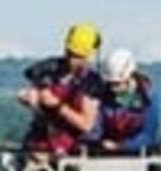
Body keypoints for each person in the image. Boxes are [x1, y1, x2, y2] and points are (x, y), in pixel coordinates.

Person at [18, 23, 105, 157]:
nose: (72, 60)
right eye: (70, 54)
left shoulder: (92, 82)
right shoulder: (49, 68)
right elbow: (30, 86)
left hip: (75, 147)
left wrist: (56, 105)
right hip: (43, 140)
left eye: (77, 56)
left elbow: (86, 124)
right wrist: (30, 97)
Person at [90, 49, 157, 154]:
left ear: (130, 76)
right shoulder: (103, 95)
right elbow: (96, 126)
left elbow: (148, 135)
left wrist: (121, 146)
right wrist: (98, 141)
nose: (113, 88)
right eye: (111, 84)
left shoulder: (148, 96)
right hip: (105, 155)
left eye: (118, 84)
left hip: (138, 157)